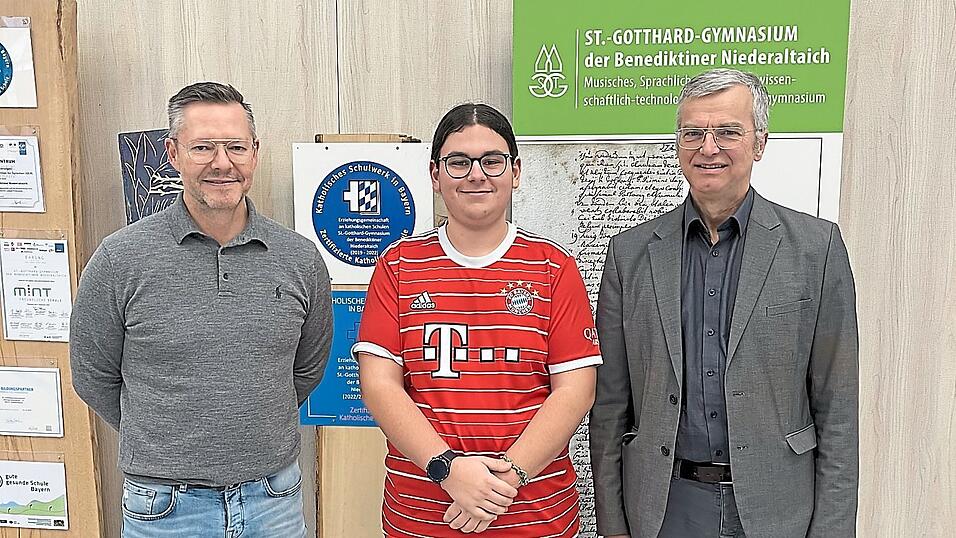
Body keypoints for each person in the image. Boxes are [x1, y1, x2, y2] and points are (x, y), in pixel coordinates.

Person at [590, 68, 859, 538]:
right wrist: (613, 525)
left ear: (759, 143)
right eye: (693, 133)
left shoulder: (816, 249)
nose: (708, 148)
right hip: (665, 508)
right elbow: (610, 405)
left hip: (779, 507)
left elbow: (838, 408)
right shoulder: (629, 255)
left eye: (728, 132)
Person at [70, 82, 333, 537]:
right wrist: (161, 438)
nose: (222, 163)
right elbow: (92, 374)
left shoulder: (299, 258)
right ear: (173, 153)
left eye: (236, 147)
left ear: (255, 153)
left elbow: (307, 368)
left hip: (274, 501)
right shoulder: (120, 259)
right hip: (164, 507)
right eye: (203, 147)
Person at [355, 103, 601, 537]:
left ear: (515, 172)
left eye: (492, 161)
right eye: (458, 162)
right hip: (422, 516)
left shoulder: (553, 267)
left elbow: (576, 390)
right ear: (435, 175)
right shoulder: (398, 265)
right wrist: (447, 469)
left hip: (534, 517)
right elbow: (379, 386)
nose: (476, 175)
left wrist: (504, 482)